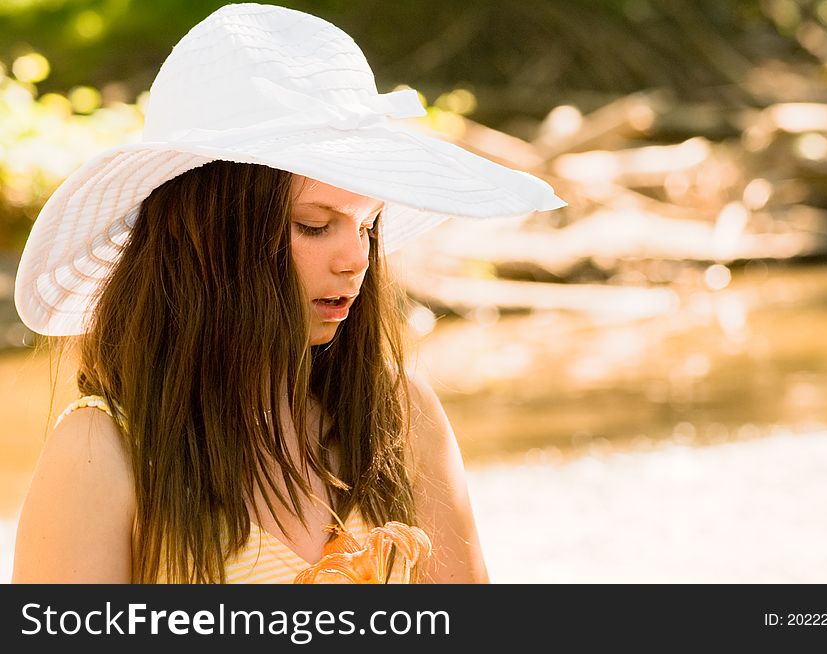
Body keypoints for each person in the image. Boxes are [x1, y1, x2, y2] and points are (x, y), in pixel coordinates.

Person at [11, 3, 564, 583]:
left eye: (367, 225)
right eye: (313, 225)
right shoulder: (102, 454)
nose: (356, 259)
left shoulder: (398, 414)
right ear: (204, 232)